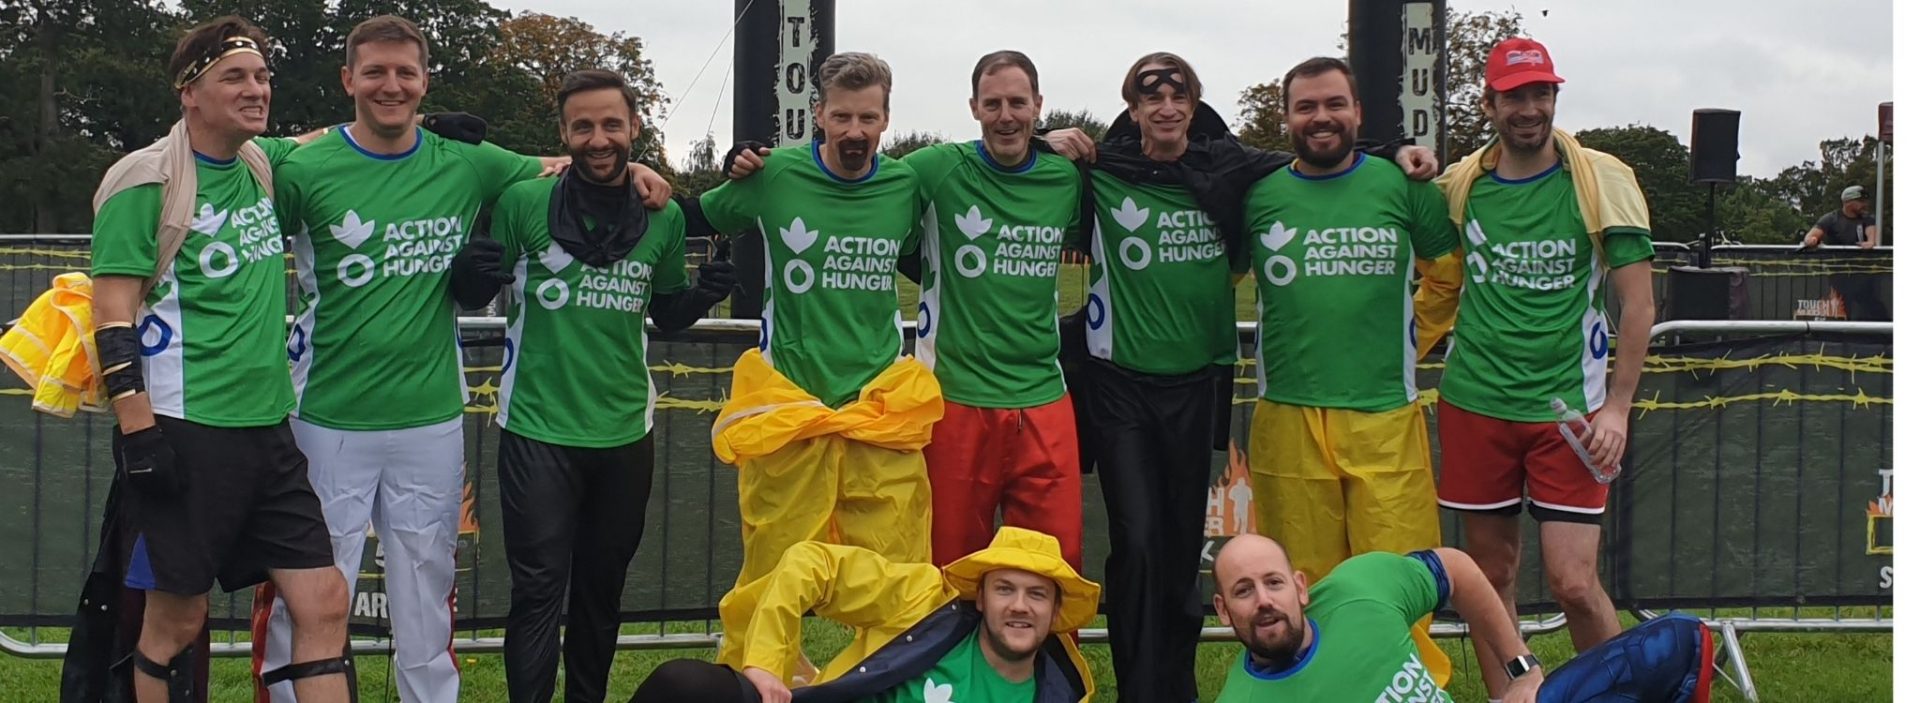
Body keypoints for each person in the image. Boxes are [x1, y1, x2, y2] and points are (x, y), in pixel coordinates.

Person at [250, 15, 669, 703]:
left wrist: (640, 171)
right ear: (348, 79)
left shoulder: (468, 162)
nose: (390, 86)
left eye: (405, 73)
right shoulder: (303, 167)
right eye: (375, 72)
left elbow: (568, 164)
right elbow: (229, 158)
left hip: (431, 419)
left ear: (425, 80)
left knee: (427, 594)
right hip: (325, 416)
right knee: (311, 591)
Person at [1039, 52, 1437, 703]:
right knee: (1137, 540)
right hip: (1120, 384)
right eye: (1151, 97)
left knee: (1179, 549)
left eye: (1179, 96)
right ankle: (1140, 689)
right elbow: (1015, 162)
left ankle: (1178, 690)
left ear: (1195, 105)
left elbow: (1318, 154)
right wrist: (1045, 137)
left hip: (1199, 381)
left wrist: (1393, 151)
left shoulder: (1232, 171)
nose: (1166, 108)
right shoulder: (1102, 170)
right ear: (1132, 108)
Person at [727, 50, 1085, 569]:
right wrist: (741, 159)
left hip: (1045, 396)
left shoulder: (1066, 179)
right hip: (953, 396)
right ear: (973, 108)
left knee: (1053, 563)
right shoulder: (928, 171)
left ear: (1038, 105)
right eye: (993, 104)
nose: (1005, 115)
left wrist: (1050, 140)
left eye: (1017, 103)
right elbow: (853, 179)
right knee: (944, 564)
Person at [444, 69, 736, 703]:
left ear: (635, 127)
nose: (598, 139)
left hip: (626, 431)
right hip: (537, 429)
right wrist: (468, 274)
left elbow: (665, 313)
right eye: (583, 127)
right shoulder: (523, 202)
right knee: (537, 593)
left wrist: (701, 297)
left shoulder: (662, 216)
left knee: (602, 594)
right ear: (563, 133)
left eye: (611, 124)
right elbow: (475, 291)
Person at [89, 16, 352, 702]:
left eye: (262, 76)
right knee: (176, 620)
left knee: (324, 600)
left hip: (269, 428)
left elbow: (328, 139)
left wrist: (421, 122)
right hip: (185, 428)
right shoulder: (145, 179)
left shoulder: (259, 162)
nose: (255, 89)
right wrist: (138, 432)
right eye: (234, 77)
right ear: (190, 92)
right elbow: (111, 316)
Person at [1426, 36, 1657, 698]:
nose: (1529, 108)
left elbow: (1640, 304)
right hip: (1476, 404)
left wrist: (1617, 409)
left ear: (1554, 97)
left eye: (1541, 93)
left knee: (1573, 582)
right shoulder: (1462, 185)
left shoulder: (1598, 179)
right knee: (1490, 577)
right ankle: (1516, 696)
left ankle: (1618, 694)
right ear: (1489, 104)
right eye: (1514, 96)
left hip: (1569, 412)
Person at [695, 52, 939, 627]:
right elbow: (695, 216)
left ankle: (893, 673)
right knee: (772, 571)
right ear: (818, 114)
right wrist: (643, 179)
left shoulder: (905, 184)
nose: (855, 131)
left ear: (886, 118)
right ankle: (759, 672)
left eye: (868, 118)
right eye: (842, 117)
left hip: (876, 408)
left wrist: (1049, 143)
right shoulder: (774, 175)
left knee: (897, 571)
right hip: (792, 405)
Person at [1239, 55, 1462, 682]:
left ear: (1357, 113)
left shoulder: (1404, 186)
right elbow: (1215, 276)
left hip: (1384, 417)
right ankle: (1317, 689)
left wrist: (1406, 344)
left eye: (1334, 104)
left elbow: (1448, 277)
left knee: (1398, 580)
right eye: (1306, 106)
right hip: (1289, 420)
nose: (1321, 117)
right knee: (1303, 585)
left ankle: (1406, 688)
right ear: (1286, 118)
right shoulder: (1258, 195)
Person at [1209, 534, 1714, 703]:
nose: (1264, 601)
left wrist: (1521, 668)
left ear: (1300, 587)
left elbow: (1455, 569)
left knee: (1677, 641)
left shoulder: (1359, 590)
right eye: (1243, 591)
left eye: (1273, 583)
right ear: (1223, 610)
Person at [627, 527, 1099, 703]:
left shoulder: (1059, 693)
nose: (1019, 606)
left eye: (1037, 595)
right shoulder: (926, 599)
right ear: (980, 597)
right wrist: (767, 664)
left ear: (1055, 611)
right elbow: (810, 564)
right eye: (1005, 589)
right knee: (682, 685)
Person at [1801, 185, 1888, 321]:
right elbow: (1810, 236)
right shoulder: (1831, 218)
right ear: (1848, 202)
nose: (1864, 204)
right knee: (1842, 307)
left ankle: (1884, 330)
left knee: (1873, 307)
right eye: (1860, 201)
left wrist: (1870, 242)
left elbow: (1871, 236)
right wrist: (1812, 240)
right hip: (1839, 274)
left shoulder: (1867, 219)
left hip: (1862, 275)